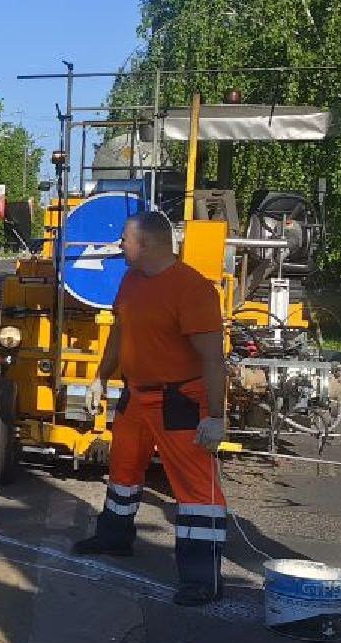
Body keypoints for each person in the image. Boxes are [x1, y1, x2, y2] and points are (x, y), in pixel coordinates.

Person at [73, 210, 231, 606]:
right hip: (136, 396)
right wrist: (101, 377)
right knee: (123, 471)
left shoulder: (192, 290)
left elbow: (213, 360)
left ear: (147, 244)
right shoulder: (131, 280)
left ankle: (202, 578)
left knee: (196, 490)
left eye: (125, 239)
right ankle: (114, 538)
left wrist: (216, 416)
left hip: (179, 399)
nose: (118, 245)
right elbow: (119, 331)